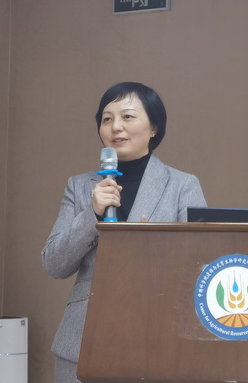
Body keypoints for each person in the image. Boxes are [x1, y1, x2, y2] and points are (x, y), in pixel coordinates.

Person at [41, 82, 207, 383]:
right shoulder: (79, 186)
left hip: (159, 339)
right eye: (107, 119)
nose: (115, 126)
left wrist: (155, 249)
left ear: (153, 127)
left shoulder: (182, 185)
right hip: (82, 343)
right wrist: (91, 215)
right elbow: (53, 263)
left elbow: (201, 266)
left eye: (127, 116)